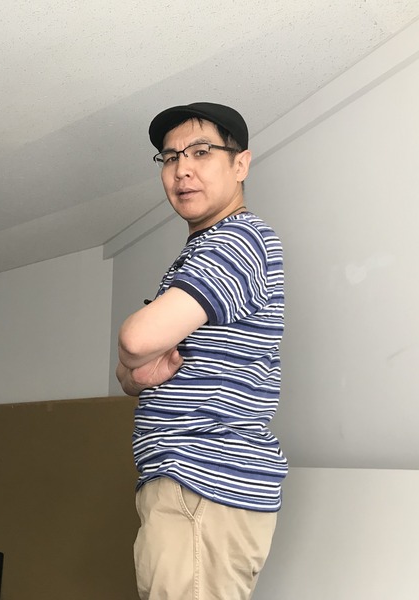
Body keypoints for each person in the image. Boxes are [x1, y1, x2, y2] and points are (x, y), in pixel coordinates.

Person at [116, 102, 287, 600]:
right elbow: (133, 375)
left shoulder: (238, 239)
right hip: (191, 482)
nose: (181, 169)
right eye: (170, 158)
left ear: (241, 164)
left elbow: (136, 341)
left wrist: (134, 356)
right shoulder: (202, 253)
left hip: (202, 479)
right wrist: (136, 369)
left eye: (201, 152)